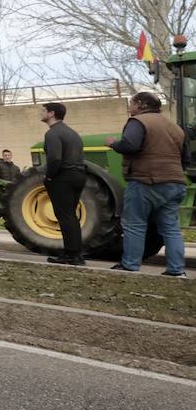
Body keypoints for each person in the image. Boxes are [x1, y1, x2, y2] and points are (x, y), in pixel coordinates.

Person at [106, 92, 188, 276]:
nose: (129, 107)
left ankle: (130, 265)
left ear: (141, 105)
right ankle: (176, 270)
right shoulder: (175, 127)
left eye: (131, 103)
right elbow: (186, 158)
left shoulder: (138, 122)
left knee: (135, 224)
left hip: (145, 181)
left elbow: (130, 145)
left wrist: (113, 144)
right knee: (171, 228)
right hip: (175, 182)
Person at [40, 102, 86, 266]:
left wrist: (49, 176)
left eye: (43, 110)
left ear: (51, 113)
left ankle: (71, 255)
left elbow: (55, 158)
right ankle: (77, 254)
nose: (41, 113)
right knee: (71, 216)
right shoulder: (72, 133)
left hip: (63, 177)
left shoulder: (52, 134)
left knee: (64, 216)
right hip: (79, 175)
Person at [0, 149, 21, 227]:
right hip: (2, 192)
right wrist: (0, 191)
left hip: (13, 192)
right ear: (3, 156)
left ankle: (13, 226)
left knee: (12, 210)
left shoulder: (16, 168)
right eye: (5, 155)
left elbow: (18, 181)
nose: (7, 157)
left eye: (8, 155)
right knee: (1, 209)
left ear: (11, 156)